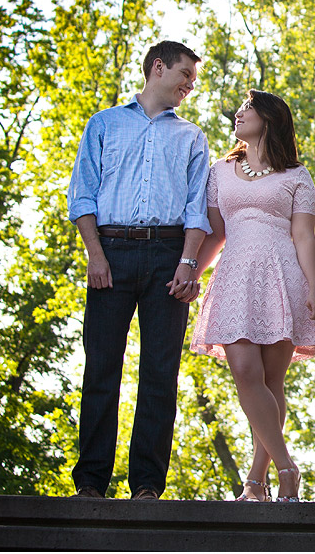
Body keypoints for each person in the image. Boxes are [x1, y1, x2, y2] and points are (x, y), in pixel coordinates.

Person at [66, 40, 211, 500]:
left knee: (160, 374)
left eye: (193, 77)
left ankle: (147, 485)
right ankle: (90, 483)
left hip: (169, 258)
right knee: (101, 369)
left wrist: (188, 264)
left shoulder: (192, 137)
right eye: (185, 73)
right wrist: (95, 255)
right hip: (111, 252)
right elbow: (82, 196)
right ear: (159, 67)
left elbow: (196, 208)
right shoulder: (104, 124)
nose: (191, 84)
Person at [190, 89, 315, 502]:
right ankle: (287, 466)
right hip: (234, 274)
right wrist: (192, 274)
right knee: (246, 373)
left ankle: (255, 480)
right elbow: (215, 234)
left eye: (247, 108)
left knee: (272, 380)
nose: (238, 113)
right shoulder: (219, 171)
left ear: (269, 118)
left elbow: (304, 235)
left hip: (283, 276)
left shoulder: (296, 176)